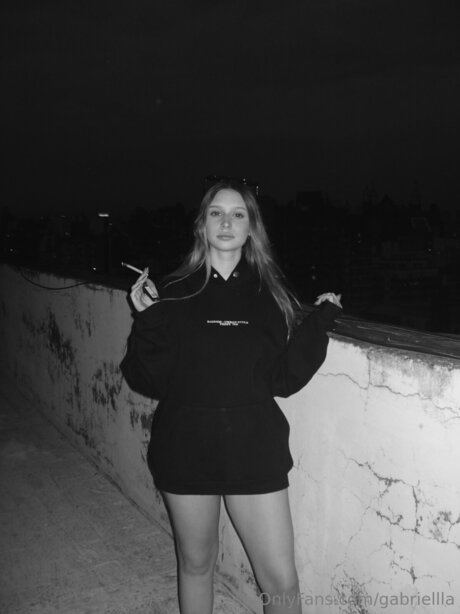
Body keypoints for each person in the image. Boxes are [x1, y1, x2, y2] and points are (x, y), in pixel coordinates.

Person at [120, 180, 342, 614]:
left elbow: (283, 379)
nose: (226, 222)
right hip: (185, 447)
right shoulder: (173, 292)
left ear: (251, 227)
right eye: (216, 213)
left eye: (238, 214)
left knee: (281, 581)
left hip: (254, 449)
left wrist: (320, 322)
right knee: (196, 563)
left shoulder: (270, 295)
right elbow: (146, 378)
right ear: (201, 225)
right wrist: (147, 320)